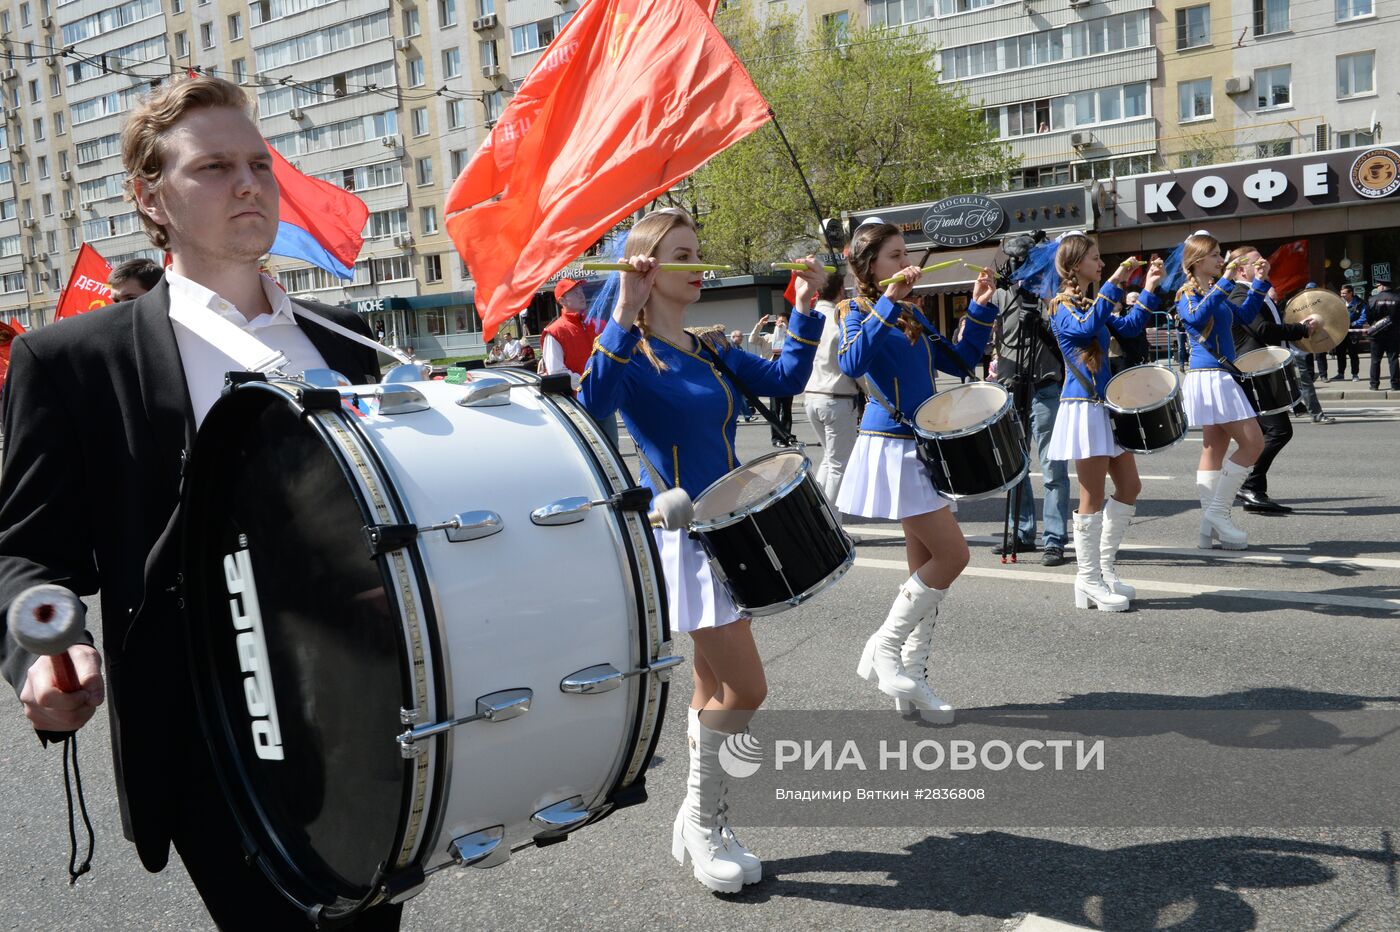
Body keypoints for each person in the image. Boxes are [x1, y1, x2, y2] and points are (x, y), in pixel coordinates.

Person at [0, 76, 395, 928]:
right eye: (213, 166)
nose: (249, 182)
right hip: (213, 738)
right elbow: (27, 555)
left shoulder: (344, 343)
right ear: (152, 198)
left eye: (258, 162)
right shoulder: (72, 361)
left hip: (371, 708)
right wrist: (44, 647)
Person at [579, 207, 823, 895]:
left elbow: (783, 382)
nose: (698, 265)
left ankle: (704, 820)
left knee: (714, 686)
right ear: (650, 267)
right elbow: (594, 406)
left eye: (697, 252)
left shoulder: (709, 346)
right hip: (689, 540)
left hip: (737, 529)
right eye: (683, 255)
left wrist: (802, 309)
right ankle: (701, 820)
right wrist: (624, 310)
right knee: (748, 688)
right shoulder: (632, 354)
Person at [834, 220, 997, 723]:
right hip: (891, 446)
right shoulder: (854, 310)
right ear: (868, 267)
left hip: (924, 444)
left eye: (907, 253)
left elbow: (964, 359)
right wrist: (888, 302)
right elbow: (852, 361)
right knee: (953, 556)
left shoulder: (909, 313)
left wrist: (981, 305)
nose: (906, 262)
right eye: (894, 256)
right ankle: (884, 648)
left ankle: (912, 680)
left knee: (924, 568)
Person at [1046, 238, 1164, 611]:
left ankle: (1104, 568)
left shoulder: (1090, 303)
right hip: (1082, 406)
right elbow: (1084, 328)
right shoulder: (1061, 306)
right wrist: (1115, 281)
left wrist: (1147, 289)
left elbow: (1128, 328)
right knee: (1091, 498)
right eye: (1095, 258)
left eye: (1100, 259)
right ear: (1076, 263)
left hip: (1104, 407)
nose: (1100, 263)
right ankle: (1087, 579)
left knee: (1130, 485)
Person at [1175, 231, 1270, 551]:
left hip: (1217, 374)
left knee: (1214, 448)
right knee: (1254, 442)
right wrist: (1228, 281)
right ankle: (1217, 514)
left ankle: (1208, 526)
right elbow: (1195, 317)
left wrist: (1258, 283)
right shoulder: (1186, 291)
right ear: (1198, 260)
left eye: (1220, 254)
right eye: (1215, 255)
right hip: (1210, 375)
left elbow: (1241, 317)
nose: (1221, 259)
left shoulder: (1215, 288)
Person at [1226, 247, 1319, 514]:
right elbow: (1263, 330)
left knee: (1266, 433)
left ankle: (1253, 488)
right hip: (1254, 372)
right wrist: (1302, 330)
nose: (1264, 264)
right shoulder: (1240, 293)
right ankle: (1248, 484)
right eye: (1257, 262)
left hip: (1263, 369)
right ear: (1242, 269)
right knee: (1278, 431)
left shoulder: (1255, 291)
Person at [992, 279, 1070, 566]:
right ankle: (1021, 533)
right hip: (1012, 388)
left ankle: (1054, 539)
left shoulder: (1049, 291)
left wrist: (1043, 311)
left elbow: (1064, 334)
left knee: (1053, 468)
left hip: (1046, 387)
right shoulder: (1000, 295)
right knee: (1015, 467)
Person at [803, 271, 860, 506]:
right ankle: (833, 529)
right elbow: (855, 364)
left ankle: (819, 517)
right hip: (837, 398)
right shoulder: (839, 321)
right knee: (839, 466)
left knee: (828, 460)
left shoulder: (811, 317)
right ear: (840, 292)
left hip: (812, 396)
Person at [748, 313, 794, 445]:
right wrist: (760, 325)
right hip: (772, 375)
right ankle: (776, 438)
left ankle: (787, 436)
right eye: (778, 321)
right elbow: (752, 340)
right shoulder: (768, 338)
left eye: (783, 322)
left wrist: (787, 331)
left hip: (787, 375)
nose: (780, 324)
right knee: (774, 409)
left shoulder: (790, 338)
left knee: (787, 409)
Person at [1364, 277, 1400, 391]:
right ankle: (1395, 385)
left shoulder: (1372, 299)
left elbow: (1369, 318)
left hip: (1377, 333)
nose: (1377, 288)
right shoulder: (1398, 298)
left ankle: (1374, 385)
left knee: (1375, 360)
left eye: (1378, 286)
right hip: (1393, 333)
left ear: (1382, 286)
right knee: (1393, 359)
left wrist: (1375, 325)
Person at [1332, 284, 1363, 381]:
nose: (1342, 295)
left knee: (1353, 354)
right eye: (1341, 293)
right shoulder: (1338, 303)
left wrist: (1353, 323)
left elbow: (1363, 317)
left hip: (1353, 332)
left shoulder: (1359, 303)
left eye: (1344, 293)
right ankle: (1340, 374)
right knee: (1340, 353)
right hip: (1341, 332)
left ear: (1351, 293)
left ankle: (1355, 374)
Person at [728, 329, 754, 421]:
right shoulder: (730, 347)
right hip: (732, 375)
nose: (742, 338)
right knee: (738, 396)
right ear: (734, 337)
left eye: (742, 336)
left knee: (738, 396)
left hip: (738, 374)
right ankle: (747, 415)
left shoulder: (738, 347)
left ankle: (737, 416)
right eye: (740, 336)